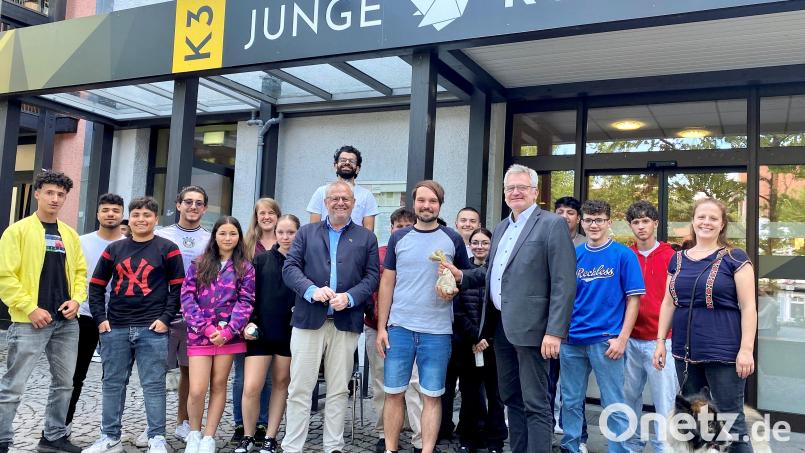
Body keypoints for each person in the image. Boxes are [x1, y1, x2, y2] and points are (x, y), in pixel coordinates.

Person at [445, 164, 577, 453]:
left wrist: (555, 332)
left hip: (534, 330)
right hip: (500, 328)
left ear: (535, 191)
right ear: (504, 193)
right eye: (510, 188)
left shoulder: (552, 224)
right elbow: (493, 273)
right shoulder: (504, 226)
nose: (515, 192)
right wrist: (462, 276)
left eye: (521, 187)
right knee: (511, 398)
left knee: (536, 402)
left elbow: (564, 283)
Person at [282, 181, 380, 453]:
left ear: (353, 203)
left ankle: (333, 446)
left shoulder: (366, 238)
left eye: (345, 198)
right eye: (334, 198)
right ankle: (292, 446)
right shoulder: (306, 233)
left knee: (339, 389)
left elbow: (372, 277)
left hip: (345, 322)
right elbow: (290, 269)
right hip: (307, 321)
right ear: (325, 202)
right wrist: (311, 290)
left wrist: (349, 297)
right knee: (300, 387)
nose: (340, 202)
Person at [653, 197, 757, 453]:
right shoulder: (677, 260)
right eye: (701, 217)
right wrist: (660, 342)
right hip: (685, 352)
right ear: (693, 220)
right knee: (696, 421)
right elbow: (668, 303)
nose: (706, 222)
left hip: (724, 352)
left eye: (713, 218)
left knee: (731, 422)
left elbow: (749, 307)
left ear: (722, 225)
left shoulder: (735, 258)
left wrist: (746, 349)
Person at [376, 180, 472, 453]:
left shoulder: (452, 238)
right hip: (400, 327)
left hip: (437, 330)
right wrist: (382, 328)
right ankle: (391, 448)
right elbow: (387, 283)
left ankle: (427, 450)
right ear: (414, 203)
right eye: (421, 200)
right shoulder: (399, 237)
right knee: (393, 393)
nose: (426, 205)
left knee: (432, 395)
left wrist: (452, 289)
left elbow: (464, 279)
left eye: (432, 201)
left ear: (440, 205)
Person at [83, 196, 185, 453]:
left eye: (147, 215)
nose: (141, 219)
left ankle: (156, 438)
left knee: (153, 385)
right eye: (137, 215)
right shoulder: (114, 249)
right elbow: (95, 287)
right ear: (131, 218)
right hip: (115, 326)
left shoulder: (168, 248)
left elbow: (179, 289)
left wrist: (165, 320)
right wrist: (100, 319)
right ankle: (110, 438)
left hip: (153, 329)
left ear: (156, 219)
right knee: (113, 383)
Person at [0, 170, 87, 453]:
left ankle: (53, 438)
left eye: (61, 194)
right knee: (13, 386)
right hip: (29, 322)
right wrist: (30, 307)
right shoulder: (18, 231)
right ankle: (2, 440)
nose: (55, 198)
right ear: (37, 194)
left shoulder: (70, 235)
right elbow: (5, 276)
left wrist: (76, 300)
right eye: (49, 192)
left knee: (64, 385)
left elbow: (80, 273)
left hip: (66, 322)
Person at [560, 199, 644, 453]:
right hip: (571, 341)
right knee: (571, 401)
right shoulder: (574, 254)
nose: (593, 225)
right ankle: (571, 446)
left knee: (614, 402)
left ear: (609, 222)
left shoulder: (623, 255)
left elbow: (634, 300)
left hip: (606, 342)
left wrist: (622, 338)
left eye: (599, 220)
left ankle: (620, 449)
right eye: (588, 220)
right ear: (582, 223)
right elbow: (562, 296)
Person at [181, 216, 255, 453]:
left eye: (232, 234)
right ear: (215, 236)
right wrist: (207, 328)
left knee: (219, 384)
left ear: (239, 237)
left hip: (228, 336)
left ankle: (209, 437)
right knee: (197, 388)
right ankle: (194, 432)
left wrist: (229, 330)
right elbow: (187, 298)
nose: (227, 238)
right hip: (200, 333)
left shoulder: (245, 267)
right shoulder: (199, 263)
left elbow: (246, 301)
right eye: (222, 233)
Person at [235, 215, 299, 453]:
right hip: (260, 333)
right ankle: (248, 435)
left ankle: (271, 437)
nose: (285, 237)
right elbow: (249, 296)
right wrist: (248, 324)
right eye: (281, 232)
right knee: (251, 387)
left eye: (290, 232)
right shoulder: (260, 261)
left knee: (281, 384)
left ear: (298, 233)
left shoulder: (304, 263)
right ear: (275, 233)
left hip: (289, 334)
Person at [363, 208, 424, 453]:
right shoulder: (377, 255)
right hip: (376, 326)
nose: (403, 230)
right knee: (381, 382)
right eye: (399, 226)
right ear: (391, 229)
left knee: (415, 383)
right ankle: (384, 432)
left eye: (408, 226)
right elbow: (368, 286)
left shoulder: (421, 253)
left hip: (411, 327)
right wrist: (373, 315)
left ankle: (420, 436)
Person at [153, 185, 211, 444]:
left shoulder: (210, 239)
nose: (193, 207)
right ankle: (152, 427)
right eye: (188, 202)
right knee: (154, 369)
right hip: (163, 309)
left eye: (199, 203)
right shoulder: (161, 235)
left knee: (190, 370)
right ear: (178, 205)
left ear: (205, 208)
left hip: (195, 314)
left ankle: (183, 422)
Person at [68, 193, 126, 430]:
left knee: (115, 379)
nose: (110, 214)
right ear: (97, 214)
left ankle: (110, 430)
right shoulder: (81, 242)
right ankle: (63, 425)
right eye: (105, 210)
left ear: (122, 215)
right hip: (85, 315)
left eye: (115, 210)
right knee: (74, 375)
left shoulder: (128, 244)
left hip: (119, 318)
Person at [623, 201, 677, 453]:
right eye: (636, 222)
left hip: (662, 340)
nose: (641, 226)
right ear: (630, 226)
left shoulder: (671, 256)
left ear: (655, 223)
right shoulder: (625, 255)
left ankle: (663, 447)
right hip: (630, 339)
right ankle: (632, 444)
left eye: (646, 221)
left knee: (664, 401)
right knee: (628, 398)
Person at [451, 228, 507, 453]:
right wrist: (475, 336)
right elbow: (457, 310)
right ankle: (469, 438)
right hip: (468, 343)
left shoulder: (498, 271)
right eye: (476, 242)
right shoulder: (462, 272)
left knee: (496, 394)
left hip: (493, 343)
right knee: (470, 393)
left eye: (485, 242)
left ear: (491, 245)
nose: (480, 246)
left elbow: (499, 307)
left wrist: (486, 337)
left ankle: (494, 440)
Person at [232, 199, 280, 443]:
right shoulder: (247, 245)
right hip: (248, 316)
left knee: (270, 377)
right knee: (243, 375)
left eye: (271, 212)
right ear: (256, 216)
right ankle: (241, 424)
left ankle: (262, 422)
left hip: (275, 318)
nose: (267, 217)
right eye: (262, 213)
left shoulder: (286, 243)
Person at [552, 196, 587, 449]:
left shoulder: (587, 245)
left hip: (579, 327)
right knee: (547, 383)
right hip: (550, 326)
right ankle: (545, 435)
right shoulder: (547, 241)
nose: (565, 216)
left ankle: (578, 437)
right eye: (560, 211)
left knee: (574, 391)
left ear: (579, 218)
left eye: (570, 212)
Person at [307, 145, 379, 231]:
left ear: (357, 169)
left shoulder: (366, 195)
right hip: (325, 243)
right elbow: (313, 230)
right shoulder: (321, 192)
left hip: (355, 243)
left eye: (352, 161)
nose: (347, 163)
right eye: (343, 160)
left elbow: (368, 232)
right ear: (335, 166)